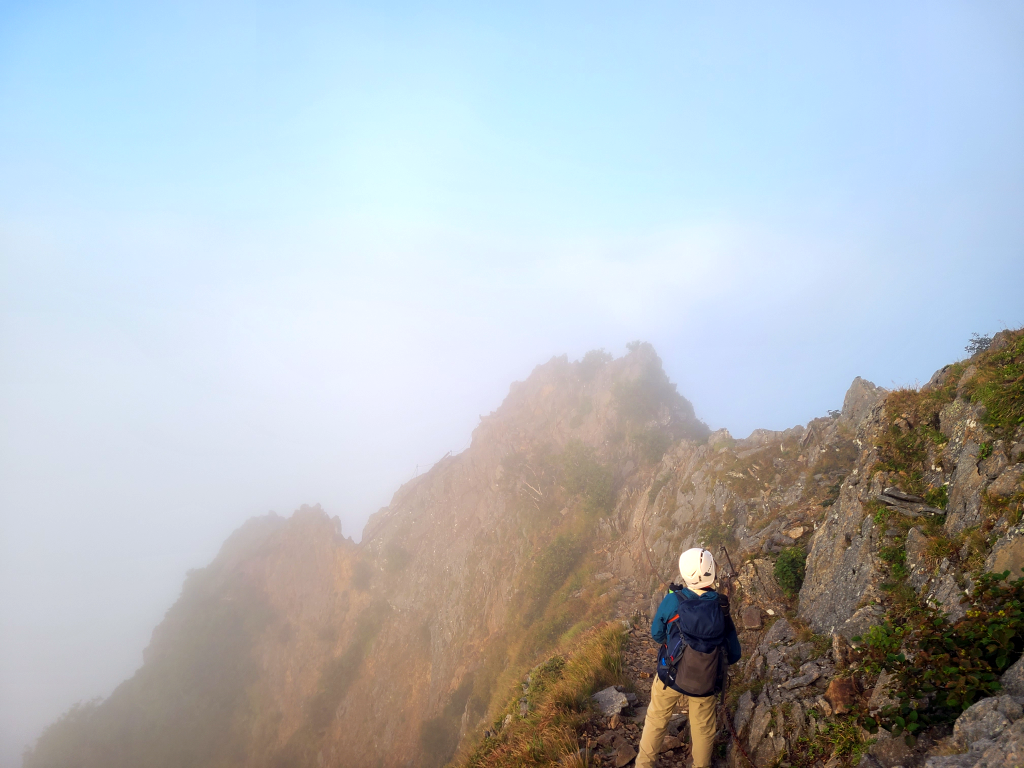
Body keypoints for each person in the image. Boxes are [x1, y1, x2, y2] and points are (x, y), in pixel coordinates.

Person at [636, 548, 741, 768]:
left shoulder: (675, 600)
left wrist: (673, 642)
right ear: (712, 572)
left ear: (684, 573)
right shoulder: (720, 607)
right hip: (705, 682)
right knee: (703, 729)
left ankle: (644, 764)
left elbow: (656, 634)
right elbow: (734, 655)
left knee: (656, 719)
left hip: (670, 675)